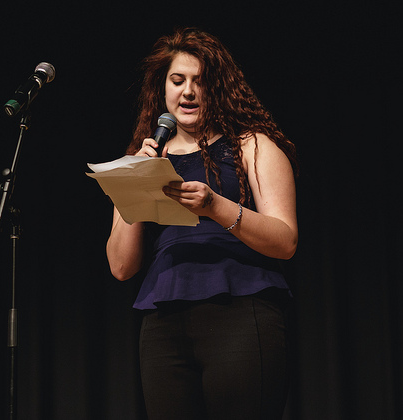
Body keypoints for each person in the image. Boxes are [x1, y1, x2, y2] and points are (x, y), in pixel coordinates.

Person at [106, 28, 299, 419]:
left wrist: (215, 206)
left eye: (200, 81)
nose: (188, 91)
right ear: (162, 89)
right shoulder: (140, 159)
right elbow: (121, 266)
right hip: (163, 320)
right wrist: (133, 182)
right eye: (178, 81)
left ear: (218, 88)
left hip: (240, 309)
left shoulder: (252, 145)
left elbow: (285, 241)